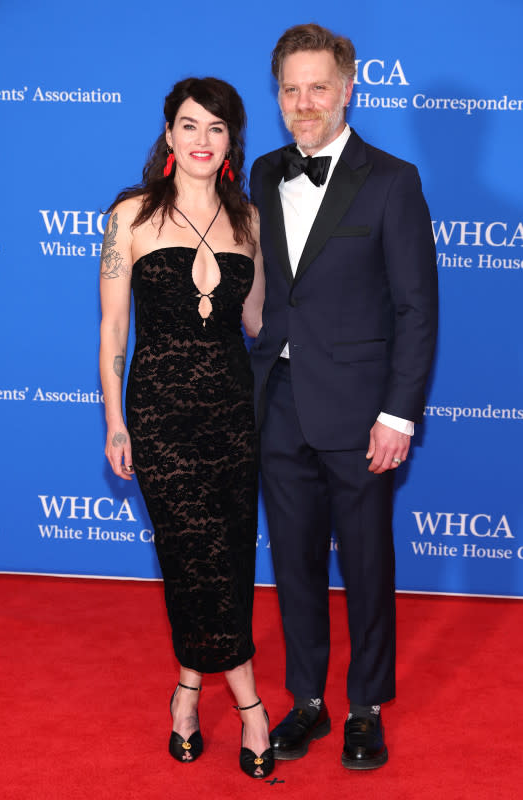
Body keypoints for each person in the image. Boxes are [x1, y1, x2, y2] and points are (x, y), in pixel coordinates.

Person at [250, 24, 438, 770]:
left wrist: (397, 413)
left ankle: (364, 706)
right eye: (290, 89)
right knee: (293, 563)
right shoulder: (262, 173)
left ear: (348, 87)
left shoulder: (392, 179)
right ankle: (307, 701)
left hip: (361, 408)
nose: (303, 102)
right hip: (279, 399)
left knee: (364, 561)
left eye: (317, 86)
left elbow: (414, 309)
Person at [99, 77, 273, 779]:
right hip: (160, 417)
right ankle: (252, 707)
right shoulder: (132, 215)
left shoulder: (250, 221)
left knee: (225, 557)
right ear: (168, 134)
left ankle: (187, 690)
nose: (202, 141)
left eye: (217, 129)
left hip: (234, 414)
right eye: (190, 126)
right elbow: (113, 327)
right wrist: (115, 422)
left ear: (231, 143)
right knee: (193, 553)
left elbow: (257, 322)